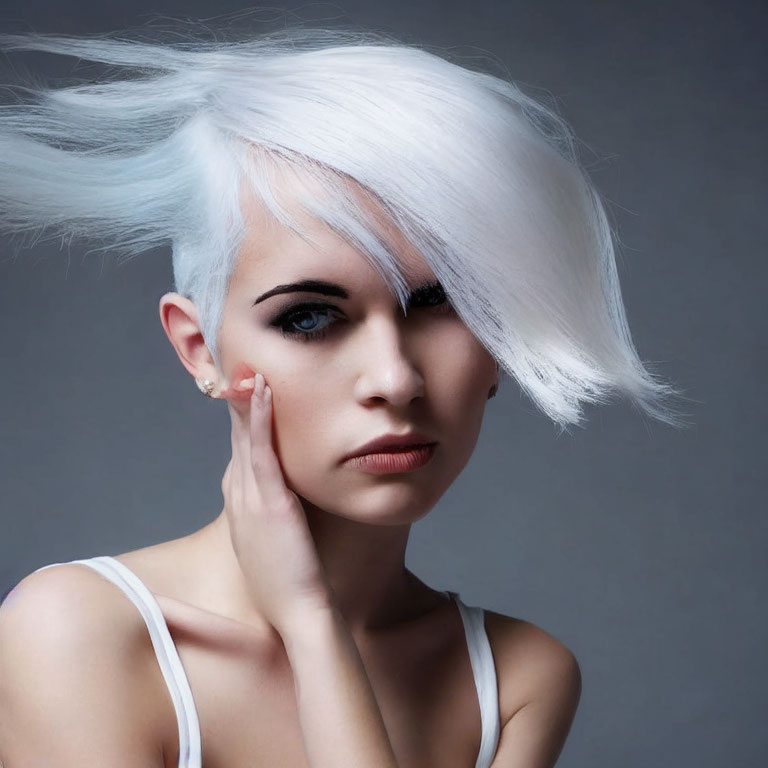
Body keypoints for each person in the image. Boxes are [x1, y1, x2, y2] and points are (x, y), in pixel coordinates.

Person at [0, 23, 682, 768]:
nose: (395, 378)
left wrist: (312, 625)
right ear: (200, 348)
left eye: (444, 303)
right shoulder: (79, 632)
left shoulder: (518, 680)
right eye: (311, 317)